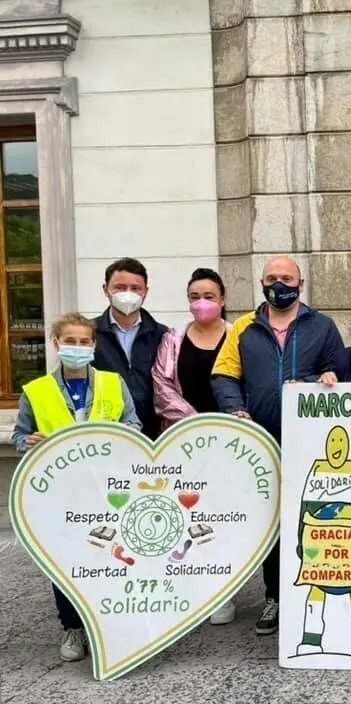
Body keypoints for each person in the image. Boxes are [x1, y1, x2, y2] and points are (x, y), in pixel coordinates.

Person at [212, 255, 344, 636]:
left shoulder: (322, 325)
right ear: (262, 283)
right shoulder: (243, 327)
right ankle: (275, 597)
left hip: (312, 443)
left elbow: (341, 373)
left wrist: (322, 379)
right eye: (272, 278)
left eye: (286, 277)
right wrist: (235, 408)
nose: (279, 283)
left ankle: (319, 593)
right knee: (272, 523)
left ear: (301, 284)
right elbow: (223, 374)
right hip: (262, 440)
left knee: (315, 517)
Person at [12, 313, 141, 662]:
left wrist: (125, 433)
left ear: (94, 345)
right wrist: (30, 442)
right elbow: (20, 435)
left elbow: (134, 423)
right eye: (70, 341)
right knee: (66, 560)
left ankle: (109, 625)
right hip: (62, 494)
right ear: (56, 344)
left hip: (107, 490)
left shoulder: (114, 383)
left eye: (84, 342)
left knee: (110, 556)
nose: (77, 347)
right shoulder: (36, 391)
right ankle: (73, 628)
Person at [152, 268, 235, 625]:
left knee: (226, 515)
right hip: (184, 441)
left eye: (209, 296)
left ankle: (224, 592)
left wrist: (224, 423)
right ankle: (193, 590)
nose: (201, 303)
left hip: (232, 441)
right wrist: (195, 423)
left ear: (222, 300)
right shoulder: (173, 339)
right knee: (189, 516)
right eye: (194, 297)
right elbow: (161, 384)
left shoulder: (239, 335)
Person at [93, 258, 167, 440]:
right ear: (106, 290)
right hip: (105, 434)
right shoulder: (88, 334)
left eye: (135, 288)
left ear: (146, 292)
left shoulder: (163, 335)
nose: (128, 294)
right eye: (120, 287)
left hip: (153, 436)